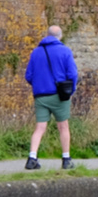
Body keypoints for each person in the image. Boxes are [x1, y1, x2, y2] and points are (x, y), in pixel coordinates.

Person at [23, 25, 79, 169]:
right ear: (60, 36)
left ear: (47, 35)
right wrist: (70, 91)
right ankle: (66, 159)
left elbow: (28, 75)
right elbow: (73, 74)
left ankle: (32, 158)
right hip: (59, 95)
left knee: (40, 127)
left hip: (40, 95)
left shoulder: (36, 52)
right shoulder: (65, 51)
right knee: (63, 126)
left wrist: (39, 86)